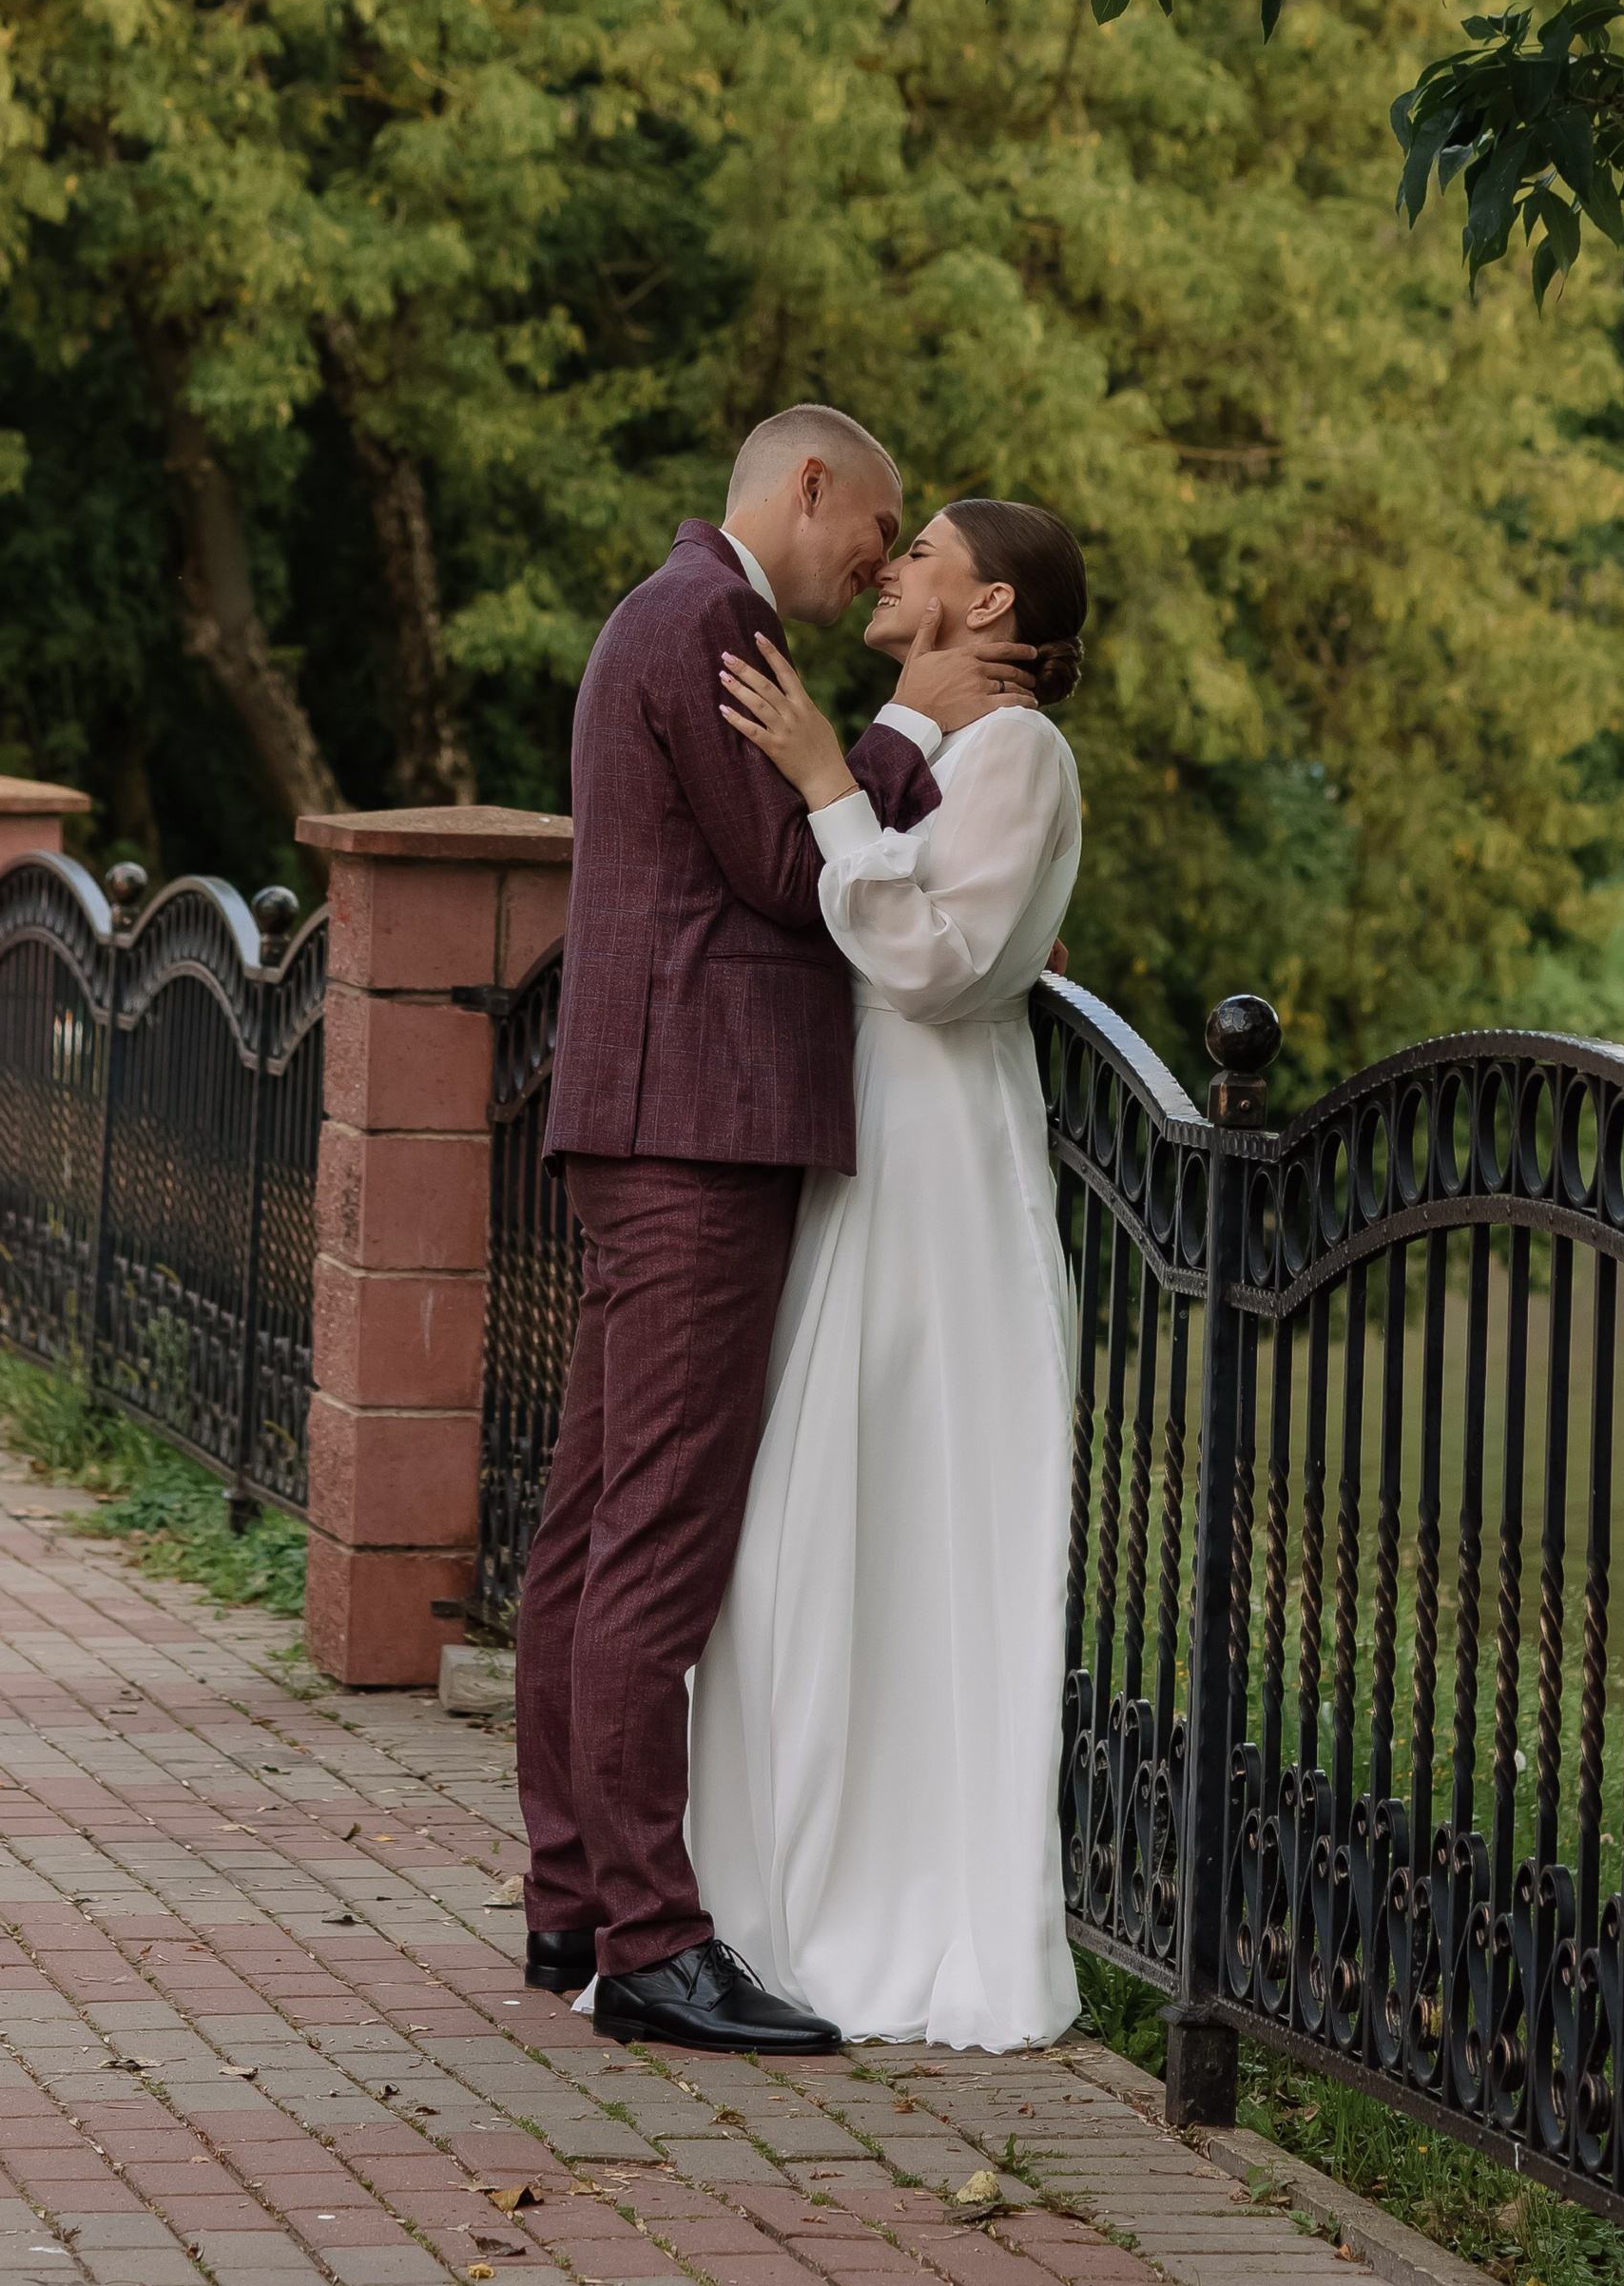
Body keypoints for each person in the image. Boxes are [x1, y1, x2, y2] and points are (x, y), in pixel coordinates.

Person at [514, 409, 1040, 2057]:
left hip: (654, 1118)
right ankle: (659, 1945)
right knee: (655, 1540)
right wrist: (895, 726)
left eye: (907, 562)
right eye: (873, 534)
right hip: (697, 1131)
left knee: (593, 1522)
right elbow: (775, 868)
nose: (877, 567)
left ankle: (576, 1903)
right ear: (805, 486)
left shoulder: (663, 614)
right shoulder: (709, 619)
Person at [687, 495, 1089, 2049]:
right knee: (801, 1540)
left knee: (919, 1531)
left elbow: (939, 965)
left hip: (942, 1181)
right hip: (848, 1166)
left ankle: (913, 1913)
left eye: (918, 549)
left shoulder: (1024, 759)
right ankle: (766, 1903)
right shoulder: (910, 738)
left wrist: (821, 791)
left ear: (989, 606)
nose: (890, 566)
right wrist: (840, 774)